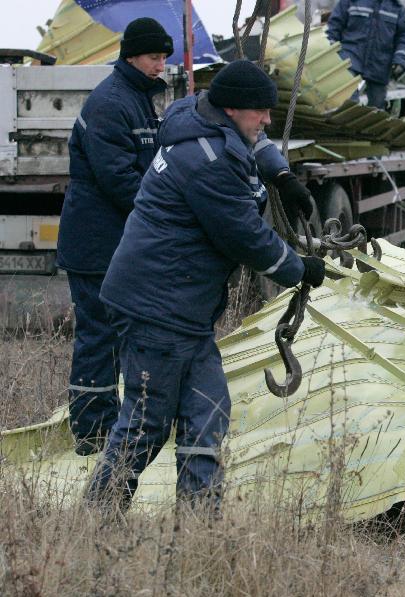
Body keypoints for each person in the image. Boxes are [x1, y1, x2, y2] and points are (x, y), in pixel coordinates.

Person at [85, 60, 324, 514]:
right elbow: (245, 237)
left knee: (207, 414)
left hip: (183, 312)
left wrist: (282, 175)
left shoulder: (198, 115)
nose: (268, 120)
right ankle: (96, 519)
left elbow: (254, 141)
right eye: (261, 112)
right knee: (145, 424)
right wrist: (298, 269)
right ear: (233, 109)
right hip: (157, 306)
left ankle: (198, 527)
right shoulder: (207, 162)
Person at [56, 18, 173, 456]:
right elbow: (118, 178)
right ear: (130, 56)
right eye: (152, 57)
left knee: (117, 336)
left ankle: (111, 423)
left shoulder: (141, 99)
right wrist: (167, 212)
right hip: (96, 244)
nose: (160, 65)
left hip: (118, 244)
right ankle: (92, 433)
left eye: (164, 57)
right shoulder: (111, 103)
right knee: (97, 337)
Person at [326, 0, 405, 109]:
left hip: (380, 62)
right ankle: (349, 119)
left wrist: (400, 59)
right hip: (350, 55)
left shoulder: (396, 8)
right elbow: (334, 26)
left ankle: (371, 123)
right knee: (348, 100)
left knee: (377, 106)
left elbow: (404, 36)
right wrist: (332, 52)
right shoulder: (350, 2)